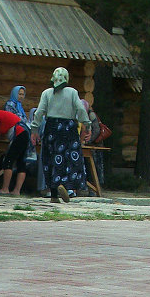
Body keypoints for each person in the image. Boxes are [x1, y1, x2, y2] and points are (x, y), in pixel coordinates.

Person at [32, 67, 91, 203]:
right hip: (68, 128)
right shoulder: (72, 92)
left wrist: (34, 130)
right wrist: (87, 125)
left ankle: (53, 194)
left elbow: (39, 112)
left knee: (51, 158)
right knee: (69, 158)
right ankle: (64, 185)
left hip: (51, 127)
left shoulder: (47, 93)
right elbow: (80, 109)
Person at [0, 109, 32, 195]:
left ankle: (5, 189)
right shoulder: (0, 114)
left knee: (8, 161)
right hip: (25, 133)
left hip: (19, 133)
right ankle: (17, 191)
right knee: (21, 163)